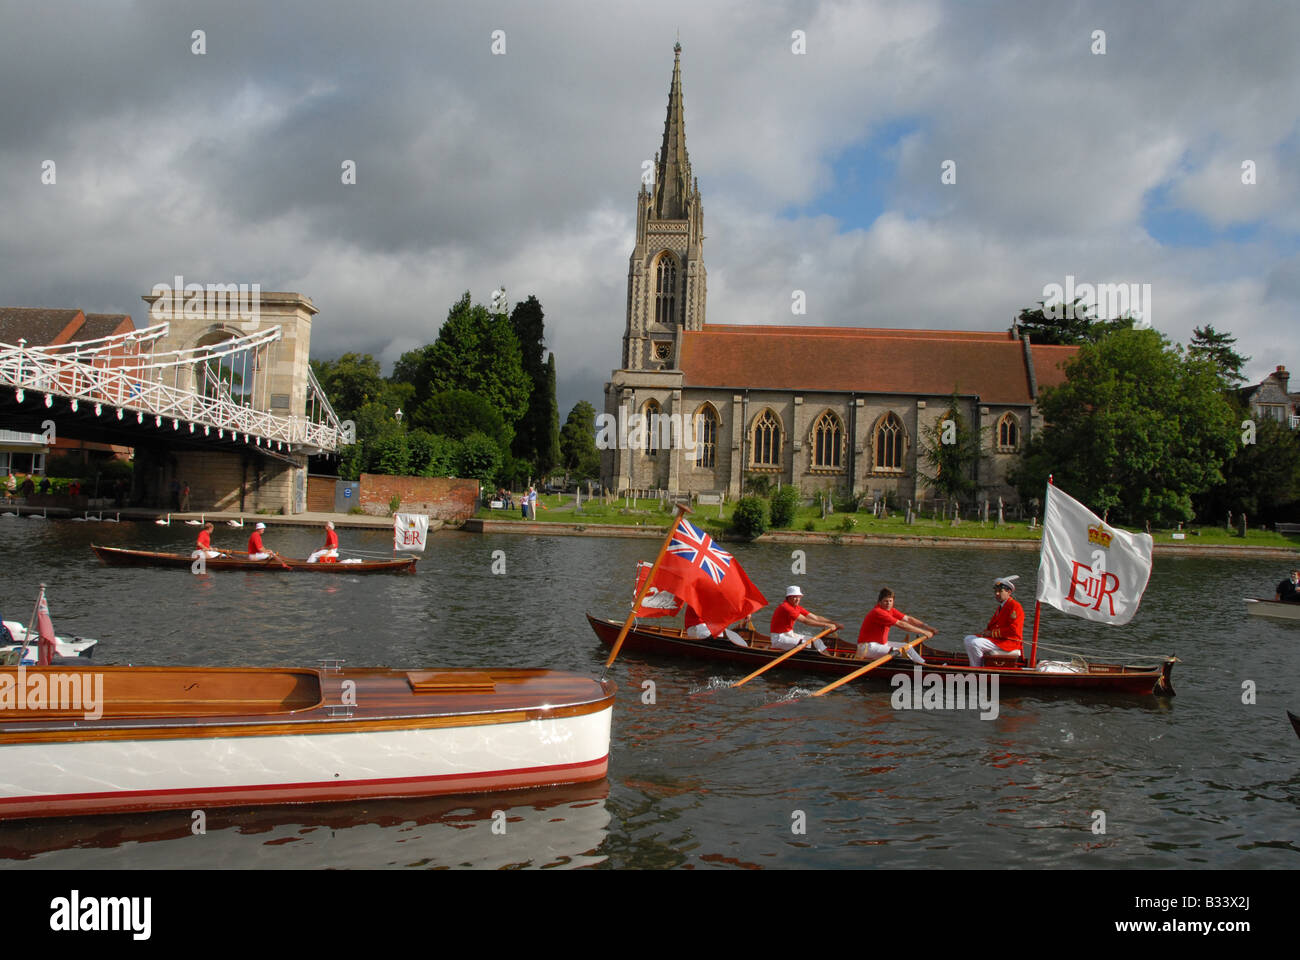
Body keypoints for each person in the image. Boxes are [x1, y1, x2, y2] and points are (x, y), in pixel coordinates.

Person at [857, 587, 933, 664]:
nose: (888, 603)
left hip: (880, 645)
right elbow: (901, 625)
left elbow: (909, 619)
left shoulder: (891, 610)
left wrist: (928, 627)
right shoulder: (878, 612)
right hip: (867, 648)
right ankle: (920, 669)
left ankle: (924, 664)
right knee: (900, 652)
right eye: (885, 601)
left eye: (890, 601)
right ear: (879, 602)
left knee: (907, 647)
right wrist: (923, 632)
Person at [963, 575, 1025, 667]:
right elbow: (993, 625)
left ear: (1009, 592)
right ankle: (975, 665)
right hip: (998, 639)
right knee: (968, 639)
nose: (997, 594)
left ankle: (977, 669)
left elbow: (1013, 630)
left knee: (975, 643)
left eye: (1000, 591)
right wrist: (985, 633)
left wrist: (991, 633)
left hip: (1008, 643)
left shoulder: (1015, 606)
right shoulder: (1002, 606)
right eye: (995, 591)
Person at [769, 586, 842, 653]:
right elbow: (805, 621)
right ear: (788, 597)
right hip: (779, 638)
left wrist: (834, 623)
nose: (797, 599)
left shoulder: (797, 607)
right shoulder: (786, 608)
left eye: (799, 597)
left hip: (789, 635)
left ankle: (827, 657)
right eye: (794, 597)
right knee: (809, 645)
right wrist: (826, 625)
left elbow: (816, 617)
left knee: (817, 641)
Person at [684, 605, 750, 647]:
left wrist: (746, 612)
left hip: (708, 627)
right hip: (695, 627)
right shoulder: (698, 594)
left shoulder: (712, 595)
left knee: (744, 645)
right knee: (721, 639)